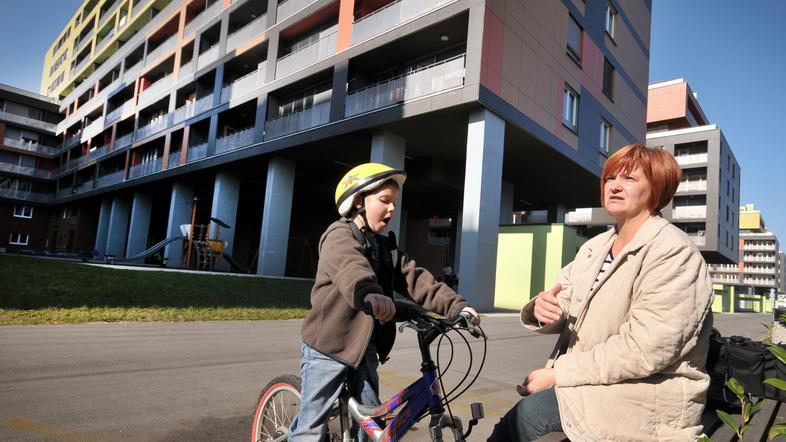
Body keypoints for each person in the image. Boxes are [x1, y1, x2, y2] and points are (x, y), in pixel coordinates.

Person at [488, 144, 714, 441]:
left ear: (657, 188)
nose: (615, 187)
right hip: (597, 383)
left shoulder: (673, 252)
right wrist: (543, 310)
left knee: (527, 418)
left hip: (649, 394)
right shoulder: (596, 246)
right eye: (609, 178)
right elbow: (565, 297)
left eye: (630, 179)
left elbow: (647, 348)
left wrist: (560, 374)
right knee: (524, 415)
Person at [288, 162, 480, 441]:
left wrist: (457, 307)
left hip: (363, 351)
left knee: (371, 427)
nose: (391, 209)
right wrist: (370, 292)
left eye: (394, 202)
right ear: (358, 202)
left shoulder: (383, 246)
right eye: (384, 201)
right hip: (328, 348)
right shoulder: (338, 236)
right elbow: (350, 267)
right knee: (311, 428)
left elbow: (416, 279)